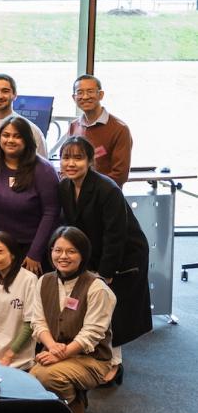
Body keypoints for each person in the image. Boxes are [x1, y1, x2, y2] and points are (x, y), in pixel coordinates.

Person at [58, 135, 150, 383]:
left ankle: (114, 364)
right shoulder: (65, 187)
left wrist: (106, 273)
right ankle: (96, 356)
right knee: (93, 306)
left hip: (123, 255)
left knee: (112, 310)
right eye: (66, 157)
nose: (71, 163)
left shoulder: (107, 188)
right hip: (94, 253)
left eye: (78, 158)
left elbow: (115, 235)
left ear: (90, 161)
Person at [28, 227, 117, 413]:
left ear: (83, 254)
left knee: (45, 376)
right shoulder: (44, 281)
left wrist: (60, 353)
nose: (63, 256)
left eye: (71, 251)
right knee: (35, 375)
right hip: (58, 351)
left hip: (92, 358)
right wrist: (52, 346)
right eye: (57, 250)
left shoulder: (97, 287)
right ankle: (71, 398)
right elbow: (38, 321)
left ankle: (75, 408)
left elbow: (91, 334)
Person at [0, 116, 60, 274]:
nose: (10, 140)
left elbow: (51, 213)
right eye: (6, 135)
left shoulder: (43, 170)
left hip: (34, 248)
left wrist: (35, 253)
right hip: (0, 246)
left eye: (17, 136)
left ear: (27, 140)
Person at [0, 232, 37, 370]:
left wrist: (10, 355)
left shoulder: (29, 280)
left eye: (0, 252)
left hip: (18, 358)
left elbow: (29, 325)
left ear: (13, 254)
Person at [67, 74, 132, 186]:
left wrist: (87, 189)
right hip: (76, 196)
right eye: (80, 92)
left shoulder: (119, 129)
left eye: (90, 91)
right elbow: (67, 163)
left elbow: (120, 175)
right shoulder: (74, 126)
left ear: (100, 95)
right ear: (74, 98)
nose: (85, 97)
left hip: (106, 197)